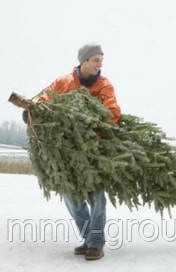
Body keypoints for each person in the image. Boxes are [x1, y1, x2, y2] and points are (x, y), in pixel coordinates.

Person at [24, 42, 121, 260]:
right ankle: (88, 238)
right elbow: (43, 102)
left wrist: (88, 126)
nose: (100, 64)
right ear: (84, 61)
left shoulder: (104, 85)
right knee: (71, 195)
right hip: (65, 149)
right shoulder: (63, 82)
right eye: (96, 59)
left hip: (93, 147)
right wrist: (32, 114)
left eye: (101, 60)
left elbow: (112, 112)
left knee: (97, 196)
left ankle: (96, 243)